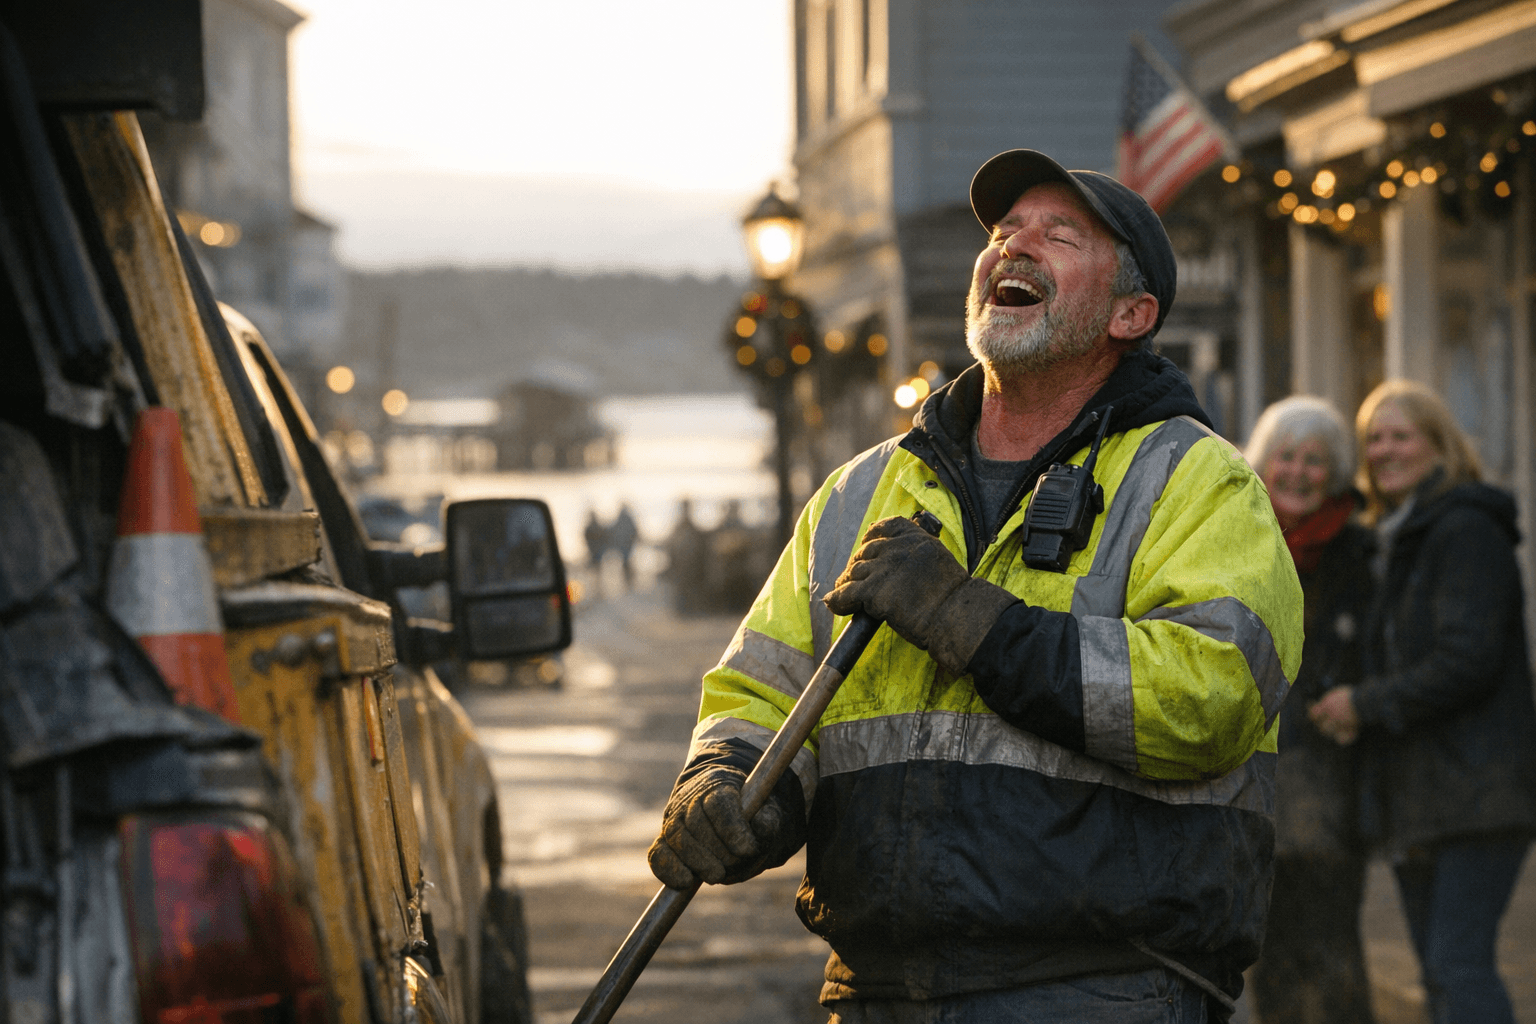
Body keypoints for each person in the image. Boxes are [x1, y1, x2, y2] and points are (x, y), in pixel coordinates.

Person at [647, 149, 1302, 1022]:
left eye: (1059, 236)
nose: (1014, 248)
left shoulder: (1197, 483)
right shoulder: (860, 491)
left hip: (1102, 987)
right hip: (874, 989)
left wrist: (970, 620)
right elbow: (764, 684)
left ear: (1130, 313)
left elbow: (1214, 695)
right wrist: (726, 782)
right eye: (1002, 233)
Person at [1311, 380, 1536, 1024]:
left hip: (1475, 792)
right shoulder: (1397, 536)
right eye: (1372, 439)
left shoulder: (1464, 527)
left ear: (1439, 445)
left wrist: (1365, 703)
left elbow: (1467, 660)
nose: (1384, 450)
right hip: (1422, 795)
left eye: (1400, 435)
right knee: (1442, 979)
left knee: (1458, 972)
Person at [1243, 397, 1375, 1024]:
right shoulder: (1237, 534)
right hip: (1248, 776)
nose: (1298, 471)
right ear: (1263, 463)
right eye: (1285, 457)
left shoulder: (1361, 551)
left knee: (1332, 947)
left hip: (1330, 778)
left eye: (1315, 460)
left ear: (1337, 470)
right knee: (1265, 951)